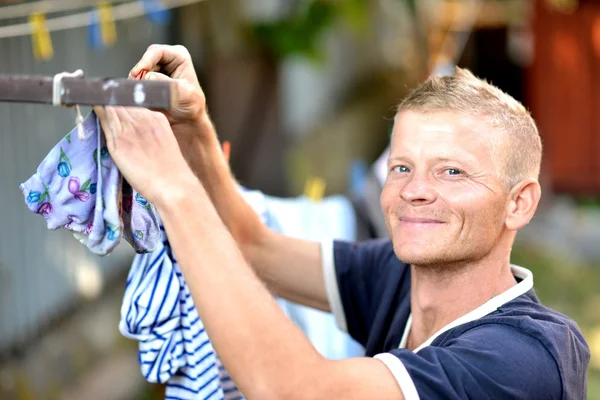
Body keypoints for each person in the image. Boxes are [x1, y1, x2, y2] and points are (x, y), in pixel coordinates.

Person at [93, 44, 589, 399]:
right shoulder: (398, 276)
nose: (414, 190)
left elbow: (295, 391)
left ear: (518, 203)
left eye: (452, 171)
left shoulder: (526, 359)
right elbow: (252, 245)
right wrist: (195, 128)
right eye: (401, 167)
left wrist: (174, 189)